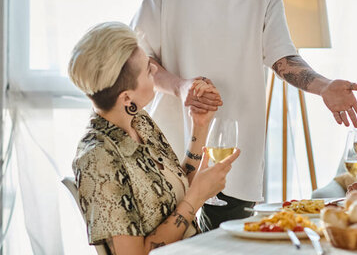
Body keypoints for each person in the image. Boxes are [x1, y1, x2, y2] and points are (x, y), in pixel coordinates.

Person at [131, 0, 357, 229]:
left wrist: (324, 87)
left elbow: (282, 57)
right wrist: (181, 88)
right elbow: (140, 59)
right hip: (172, 153)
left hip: (235, 162)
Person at [70, 22, 240, 254]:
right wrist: (198, 197)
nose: (155, 71)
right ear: (127, 97)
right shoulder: (98, 159)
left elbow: (177, 190)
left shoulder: (139, 121)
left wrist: (200, 126)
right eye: (148, 70)